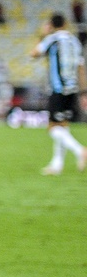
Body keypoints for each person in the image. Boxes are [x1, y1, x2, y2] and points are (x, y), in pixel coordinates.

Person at [30, 13, 87, 176]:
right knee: (63, 126)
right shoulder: (74, 41)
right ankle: (57, 165)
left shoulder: (53, 39)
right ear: (66, 23)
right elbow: (81, 68)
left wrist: (43, 34)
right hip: (72, 89)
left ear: (52, 25)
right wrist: (84, 92)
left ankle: (80, 150)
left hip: (57, 89)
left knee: (53, 128)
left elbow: (33, 54)